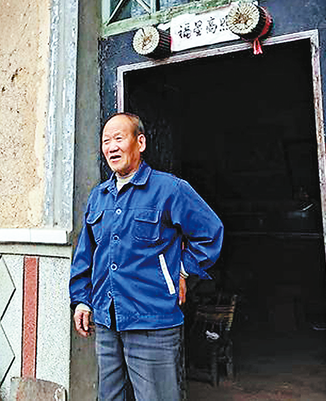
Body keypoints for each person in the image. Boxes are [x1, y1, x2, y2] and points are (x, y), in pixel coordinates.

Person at [69, 112, 223, 401]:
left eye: (118, 138)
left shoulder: (170, 189)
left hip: (153, 320)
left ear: (139, 143)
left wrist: (183, 271)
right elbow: (85, 254)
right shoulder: (98, 197)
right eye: (106, 141)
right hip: (107, 321)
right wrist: (82, 300)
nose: (111, 147)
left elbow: (210, 233)